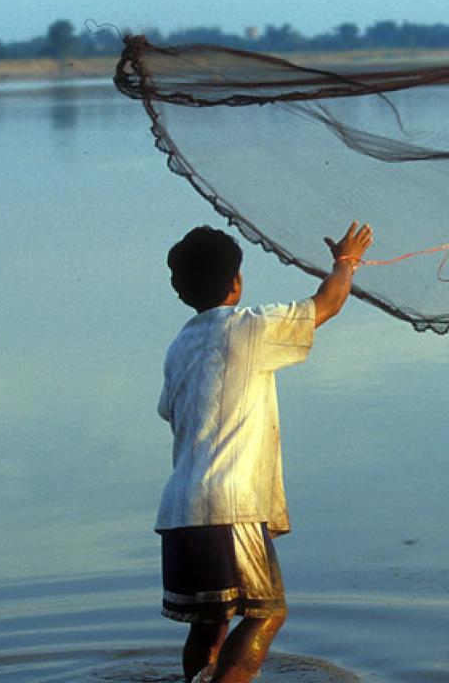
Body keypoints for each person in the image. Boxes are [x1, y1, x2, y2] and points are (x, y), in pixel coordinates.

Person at [156, 221, 373, 683]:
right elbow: (328, 303)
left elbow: (170, 413)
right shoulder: (250, 328)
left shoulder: (179, 346)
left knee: (208, 622)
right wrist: (346, 261)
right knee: (266, 614)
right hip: (230, 505)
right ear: (236, 282)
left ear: (182, 291)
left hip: (179, 510)